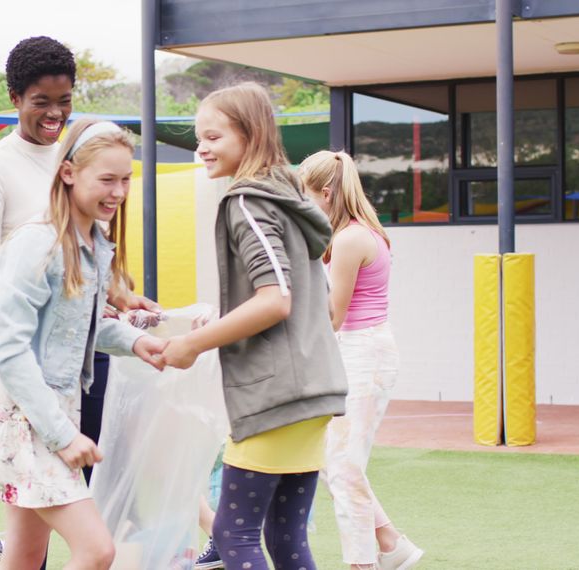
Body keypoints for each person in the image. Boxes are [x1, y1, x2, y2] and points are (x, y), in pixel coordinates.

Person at [0, 36, 160, 561]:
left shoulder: (91, 233)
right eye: (41, 100)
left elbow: (84, 312)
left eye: (64, 100)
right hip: (28, 398)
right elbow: (4, 323)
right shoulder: (10, 192)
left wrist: (128, 331)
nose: (117, 192)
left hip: (64, 385)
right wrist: (36, 289)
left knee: (26, 551)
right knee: (95, 548)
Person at [162, 82, 347, 570]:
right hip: (315, 387)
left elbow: (275, 301)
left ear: (251, 135)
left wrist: (192, 344)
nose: (201, 147)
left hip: (275, 396)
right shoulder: (286, 195)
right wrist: (220, 321)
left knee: (232, 533)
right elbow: (300, 301)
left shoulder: (246, 201)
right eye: (199, 137)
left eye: (213, 137)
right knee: (284, 534)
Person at [298, 150, 424, 570]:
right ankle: (390, 543)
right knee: (335, 463)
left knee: (343, 469)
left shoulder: (351, 238)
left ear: (328, 193)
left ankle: (363, 563)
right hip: (360, 350)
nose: (303, 205)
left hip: (362, 352)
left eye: (307, 196)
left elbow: (333, 315)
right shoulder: (356, 233)